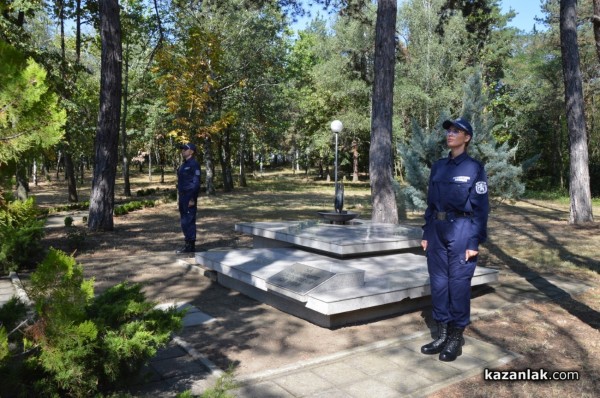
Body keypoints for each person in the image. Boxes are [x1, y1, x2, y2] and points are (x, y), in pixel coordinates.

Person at [420, 117, 489, 362]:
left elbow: (481, 209)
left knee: (458, 285)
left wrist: (473, 242)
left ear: (466, 138)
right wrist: (427, 233)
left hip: (462, 229)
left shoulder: (474, 168)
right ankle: (442, 334)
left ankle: (455, 338)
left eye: (456, 131)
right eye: (449, 130)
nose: (450, 134)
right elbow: (430, 204)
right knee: (438, 284)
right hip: (437, 230)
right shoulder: (438, 166)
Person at [176, 143, 201, 254]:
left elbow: (196, 183)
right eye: (182, 149)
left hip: (189, 196)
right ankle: (187, 243)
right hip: (182, 196)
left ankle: (190, 245)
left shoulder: (194, 164)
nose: (183, 151)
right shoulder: (183, 165)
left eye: (185, 149)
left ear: (191, 151)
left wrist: (192, 199)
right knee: (184, 221)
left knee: (189, 220)